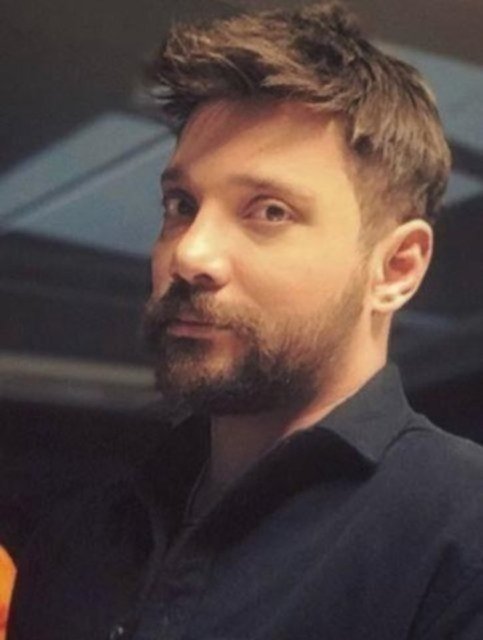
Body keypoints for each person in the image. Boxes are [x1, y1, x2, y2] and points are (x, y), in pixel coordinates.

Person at [6, 2, 483, 639]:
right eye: (181, 205)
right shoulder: (79, 538)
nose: (190, 253)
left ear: (395, 268)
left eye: (269, 211)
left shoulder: (462, 537)